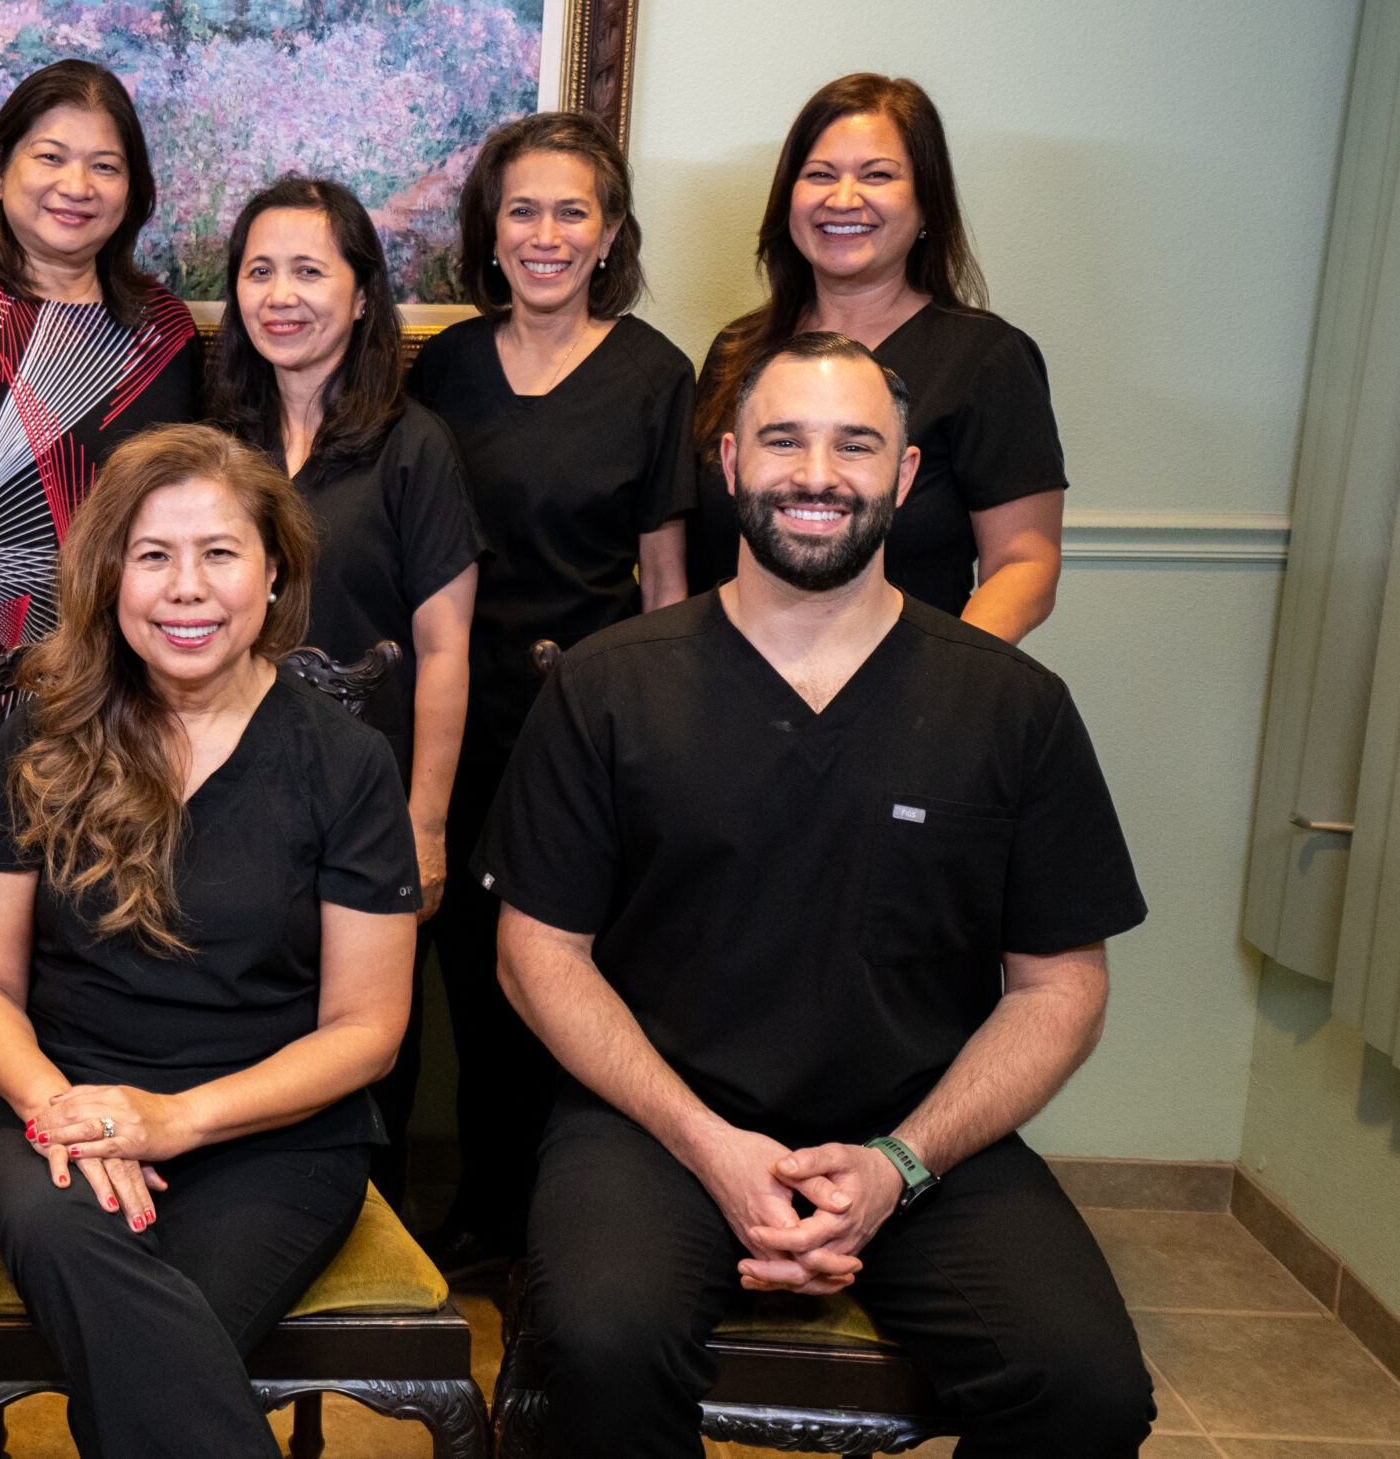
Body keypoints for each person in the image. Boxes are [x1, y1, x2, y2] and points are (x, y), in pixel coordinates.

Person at [485, 332, 1151, 1459]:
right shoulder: (608, 686)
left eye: (855, 445)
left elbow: (1059, 989)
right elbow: (535, 952)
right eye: (781, 439)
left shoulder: (1011, 707)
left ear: (902, 476)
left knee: (1083, 1388)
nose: (814, 472)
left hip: (922, 1137)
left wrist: (898, 1164)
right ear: (730, 463)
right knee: (599, 1342)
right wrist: (708, 1144)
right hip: (655, 1124)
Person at [0, 423, 420, 1459]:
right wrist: (57, 1110)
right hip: (55, 1113)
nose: (186, 589)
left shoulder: (347, 762)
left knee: (142, 1368)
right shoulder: (39, 736)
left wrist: (176, 1120)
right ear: (109, 575)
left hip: (276, 1133)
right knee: (128, 1320)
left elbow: (368, 1029)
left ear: (274, 569)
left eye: (219, 553)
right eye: (152, 556)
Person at [0, 57, 202, 1227]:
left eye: (103, 164)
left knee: (115, 950)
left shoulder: (161, 329)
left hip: (135, 697)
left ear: (135, 187)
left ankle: (116, 1196)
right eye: (49, 156)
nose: (75, 184)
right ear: (1, 171)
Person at [403, 110, 694, 1270]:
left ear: (610, 231)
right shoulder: (448, 368)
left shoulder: (653, 375)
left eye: (572, 210)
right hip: (456, 720)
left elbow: (667, 585)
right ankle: (482, 1213)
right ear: (489, 228)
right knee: (472, 976)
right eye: (521, 208)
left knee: (577, 980)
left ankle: (577, 1226)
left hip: (591, 729)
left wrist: (671, 744)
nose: (545, 233)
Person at [206, 173, 479, 1201]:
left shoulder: (415, 447)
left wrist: (428, 823)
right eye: (259, 271)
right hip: (230, 788)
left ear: (362, 295)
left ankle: (369, 1242)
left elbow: (446, 649)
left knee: (367, 1039)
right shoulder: (217, 440)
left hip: (369, 804)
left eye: (310, 271)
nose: (282, 294)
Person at [683, 73, 1065, 641]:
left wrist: (946, 681)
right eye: (818, 175)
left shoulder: (987, 360)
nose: (843, 199)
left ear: (928, 202)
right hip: (729, 685)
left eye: (877, 176)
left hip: (905, 701)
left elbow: (1025, 565)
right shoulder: (737, 352)